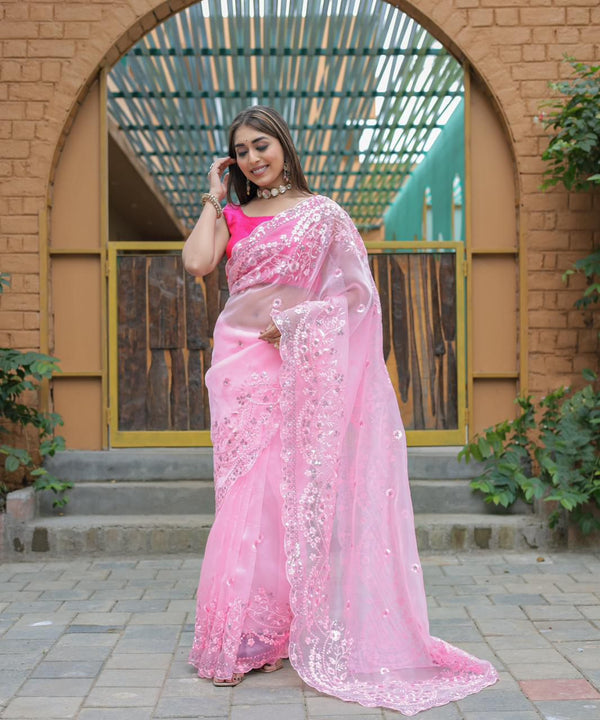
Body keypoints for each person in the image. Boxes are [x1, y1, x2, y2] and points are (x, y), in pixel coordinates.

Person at [183, 105, 498, 714]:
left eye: (261, 145)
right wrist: (211, 197)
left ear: (283, 145)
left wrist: (298, 323)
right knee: (243, 493)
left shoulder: (324, 216)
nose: (253, 158)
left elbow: (357, 297)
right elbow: (197, 263)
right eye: (241, 151)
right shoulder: (232, 214)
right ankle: (236, 638)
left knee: (283, 497)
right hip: (239, 365)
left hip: (296, 364)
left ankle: (268, 634)